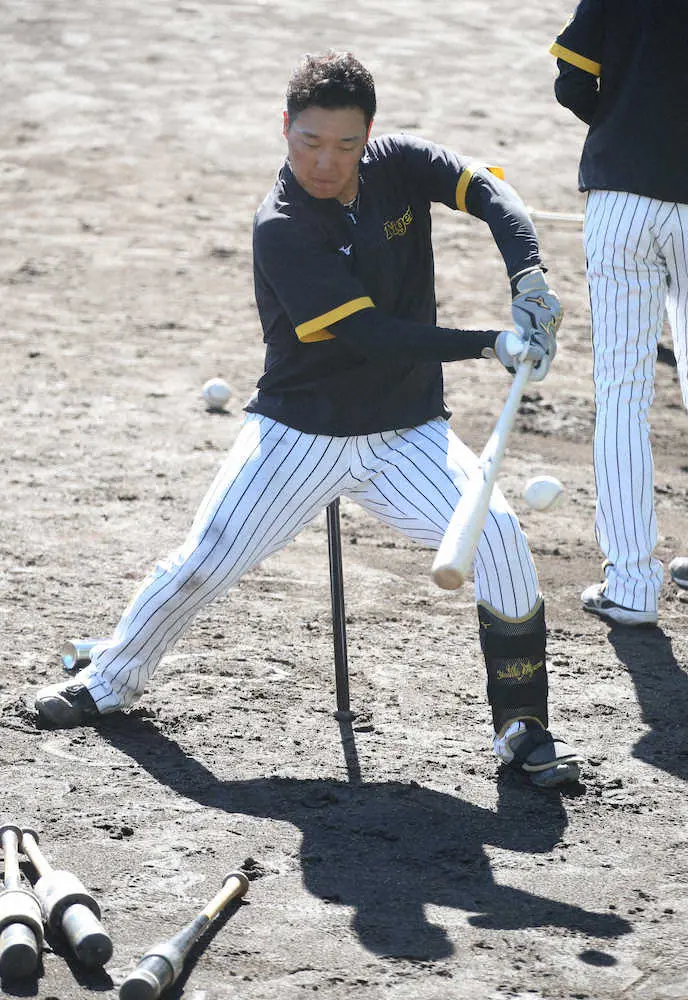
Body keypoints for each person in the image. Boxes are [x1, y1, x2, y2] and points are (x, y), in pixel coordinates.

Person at [33, 52, 582, 788]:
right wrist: (492, 343)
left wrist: (530, 277)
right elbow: (371, 336)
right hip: (301, 434)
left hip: (405, 432)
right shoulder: (282, 226)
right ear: (285, 129)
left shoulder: (399, 162)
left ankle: (522, 726)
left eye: (345, 145)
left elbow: (487, 191)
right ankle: (108, 680)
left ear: (369, 134)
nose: (326, 162)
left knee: (505, 545)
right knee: (203, 562)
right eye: (309, 143)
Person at [550, 0, 688, 626]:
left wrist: (628, 124)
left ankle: (631, 586)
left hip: (621, 202)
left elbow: (572, 78)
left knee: (622, 396)